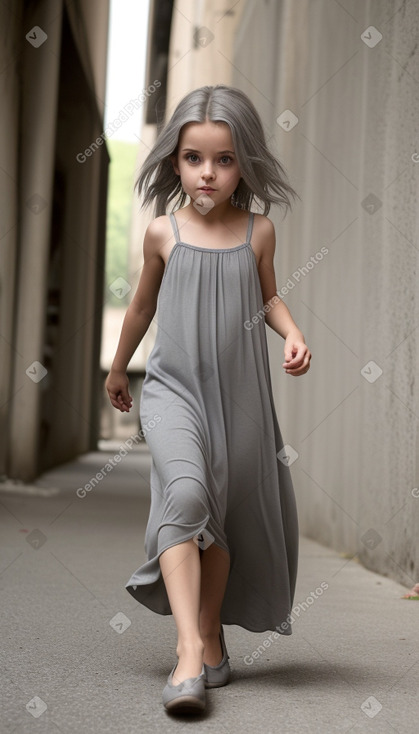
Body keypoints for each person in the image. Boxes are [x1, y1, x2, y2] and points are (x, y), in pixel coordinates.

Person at [105, 84, 311, 714]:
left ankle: (213, 639)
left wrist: (294, 331)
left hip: (241, 395)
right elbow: (142, 305)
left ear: (243, 163)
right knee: (187, 495)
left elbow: (268, 298)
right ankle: (189, 651)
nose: (208, 173)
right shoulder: (162, 233)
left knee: (219, 520)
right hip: (172, 391)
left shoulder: (258, 233)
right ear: (175, 160)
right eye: (194, 158)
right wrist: (119, 368)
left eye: (224, 160)